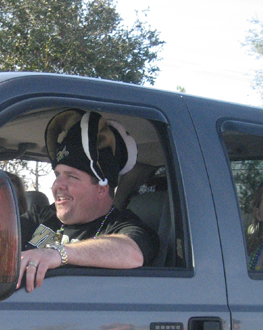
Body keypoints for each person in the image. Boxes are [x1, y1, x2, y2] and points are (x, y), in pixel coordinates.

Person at [17, 109, 159, 292]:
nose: (57, 185)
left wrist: (57, 254)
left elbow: (132, 253)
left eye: (72, 177)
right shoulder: (42, 214)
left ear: (101, 189)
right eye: (58, 175)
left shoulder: (121, 226)